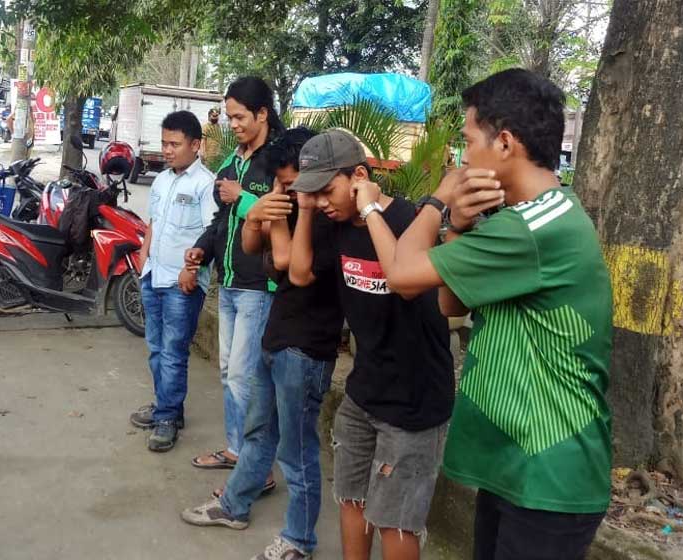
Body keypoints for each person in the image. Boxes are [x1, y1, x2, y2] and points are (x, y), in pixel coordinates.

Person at [355, 68, 614, 560]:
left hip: (549, 472)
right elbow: (451, 304)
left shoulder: (533, 228)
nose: (463, 158)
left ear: (505, 143)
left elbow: (402, 275)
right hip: (515, 464)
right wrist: (458, 222)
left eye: (469, 141)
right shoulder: (530, 219)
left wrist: (438, 199)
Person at [287, 129, 454, 560]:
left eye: (326, 190)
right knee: (351, 499)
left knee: (395, 521)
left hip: (414, 401)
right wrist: (306, 209)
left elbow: (405, 283)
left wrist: (370, 210)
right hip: (364, 393)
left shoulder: (411, 220)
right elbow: (300, 273)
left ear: (359, 176)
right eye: (313, 193)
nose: (322, 202)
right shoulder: (333, 224)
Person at [181, 128, 342, 560]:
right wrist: (256, 217)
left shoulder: (327, 218)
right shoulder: (286, 204)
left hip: (307, 349)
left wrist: (283, 211)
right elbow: (253, 248)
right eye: (281, 183)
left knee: (297, 452)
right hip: (277, 337)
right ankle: (234, 505)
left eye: (293, 183)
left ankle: (299, 540)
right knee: (257, 432)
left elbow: (290, 265)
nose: (288, 191)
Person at [186, 76, 284, 470]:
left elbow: (280, 213)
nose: (234, 124)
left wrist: (241, 197)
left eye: (240, 116)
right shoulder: (231, 163)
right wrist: (203, 248)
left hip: (259, 286)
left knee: (246, 376)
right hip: (228, 283)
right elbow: (221, 220)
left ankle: (253, 464)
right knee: (229, 372)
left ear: (262, 114)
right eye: (229, 117)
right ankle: (236, 450)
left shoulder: (277, 162)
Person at [130, 111, 217, 452]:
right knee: (155, 348)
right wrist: (144, 254)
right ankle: (167, 407)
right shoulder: (162, 180)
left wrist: (192, 270)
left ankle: (166, 417)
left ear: (195, 145)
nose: (167, 150)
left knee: (173, 352)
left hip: (183, 283)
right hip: (154, 275)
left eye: (175, 144)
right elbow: (154, 221)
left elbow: (212, 233)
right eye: (164, 143)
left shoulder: (205, 184)